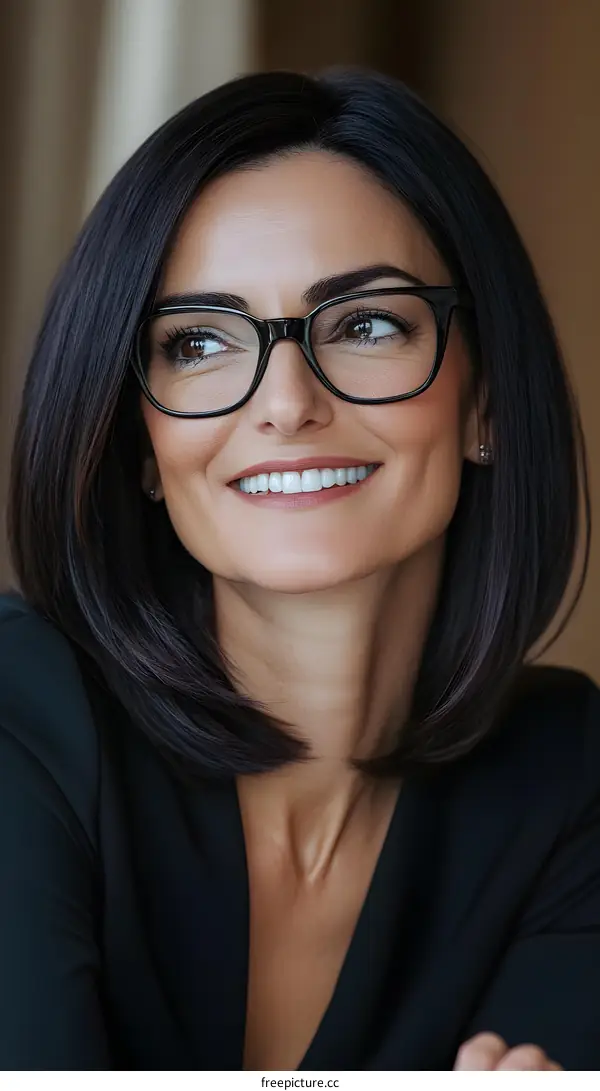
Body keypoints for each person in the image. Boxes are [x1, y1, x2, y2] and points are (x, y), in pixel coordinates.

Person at [0, 67, 598, 1073]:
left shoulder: (570, 778)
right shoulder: (20, 719)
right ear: (142, 443)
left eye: (367, 324)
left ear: (487, 399)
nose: (284, 402)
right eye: (197, 341)